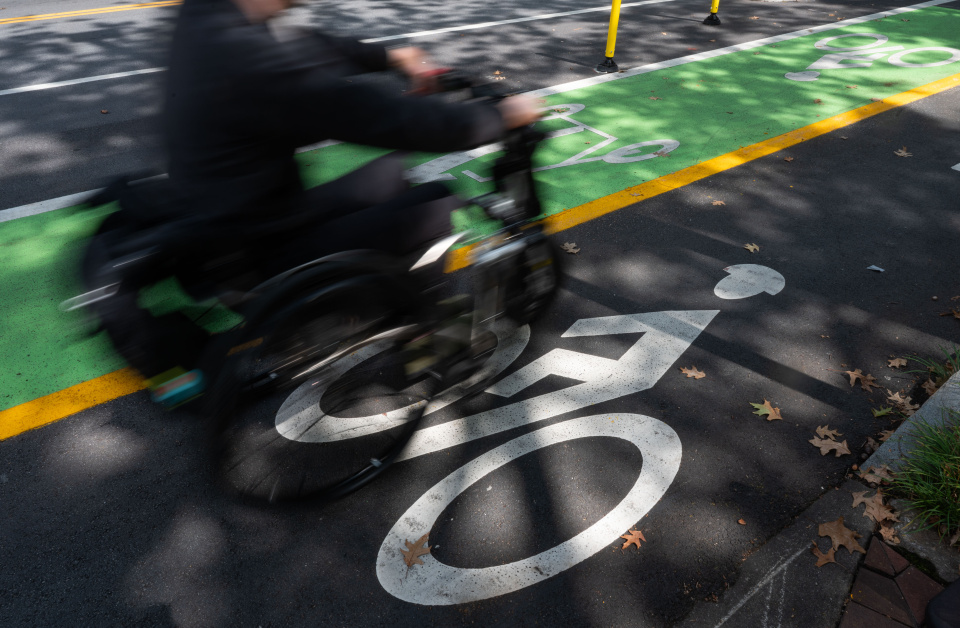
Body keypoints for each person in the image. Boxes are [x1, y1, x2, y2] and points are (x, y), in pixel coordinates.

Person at [163, 0, 541, 266]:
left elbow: (304, 46)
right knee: (440, 202)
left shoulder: (209, 17)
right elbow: (382, 117)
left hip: (241, 215)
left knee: (391, 171)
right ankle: (426, 345)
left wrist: (391, 57)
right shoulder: (246, 61)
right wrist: (498, 116)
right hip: (260, 249)